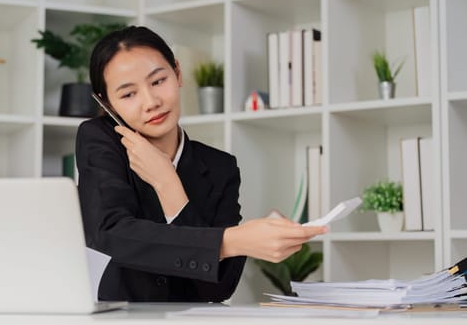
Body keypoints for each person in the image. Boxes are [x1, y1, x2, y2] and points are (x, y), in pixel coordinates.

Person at [75, 25, 327, 302]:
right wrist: (233, 241)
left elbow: (217, 288)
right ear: (106, 103)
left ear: (178, 73)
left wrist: (169, 186)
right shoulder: (99, 140)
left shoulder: (221, 167)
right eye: (128, 94)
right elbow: (110, 235)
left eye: (158, 81)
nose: (151, 102)